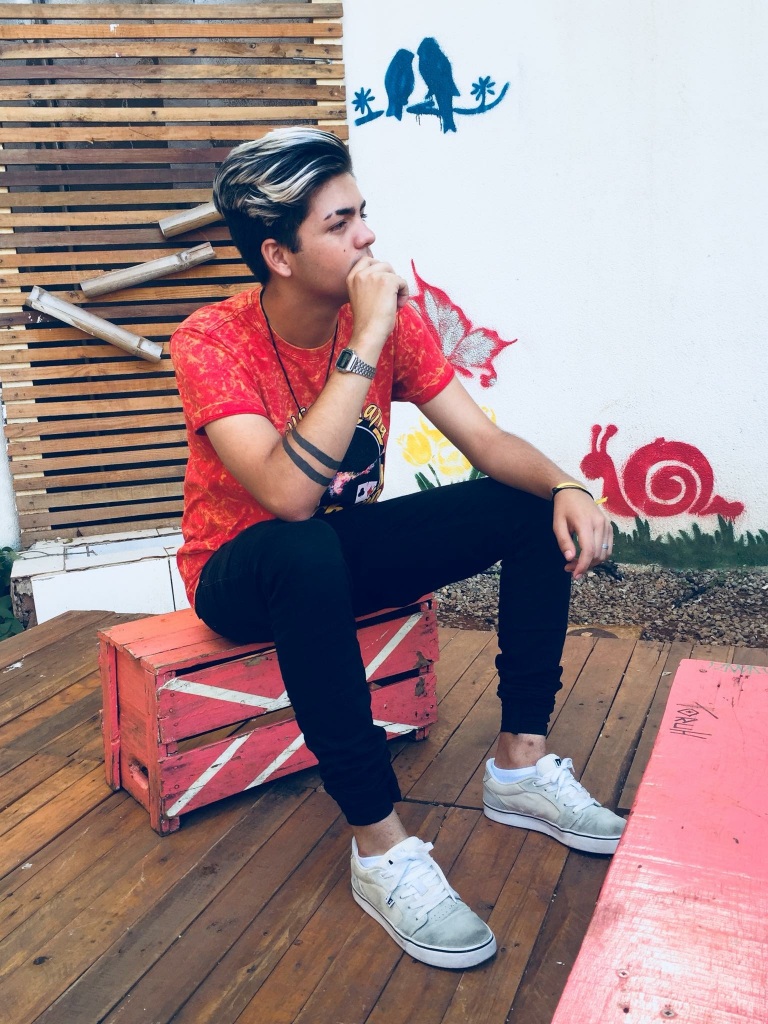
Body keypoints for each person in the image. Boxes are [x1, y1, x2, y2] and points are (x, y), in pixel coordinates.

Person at [170, 127, 625, 970]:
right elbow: (285, 497)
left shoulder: (387, 323)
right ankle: (379, 847)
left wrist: (568, 485)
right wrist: (367, 338)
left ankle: (520, 767)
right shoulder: (211, 340)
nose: (368, 236)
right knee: (302, 546)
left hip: (332, 551)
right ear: (277, 254)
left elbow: (486, 444)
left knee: (525, 507)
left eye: (363, 214)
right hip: (243, 570)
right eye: (340, 223)